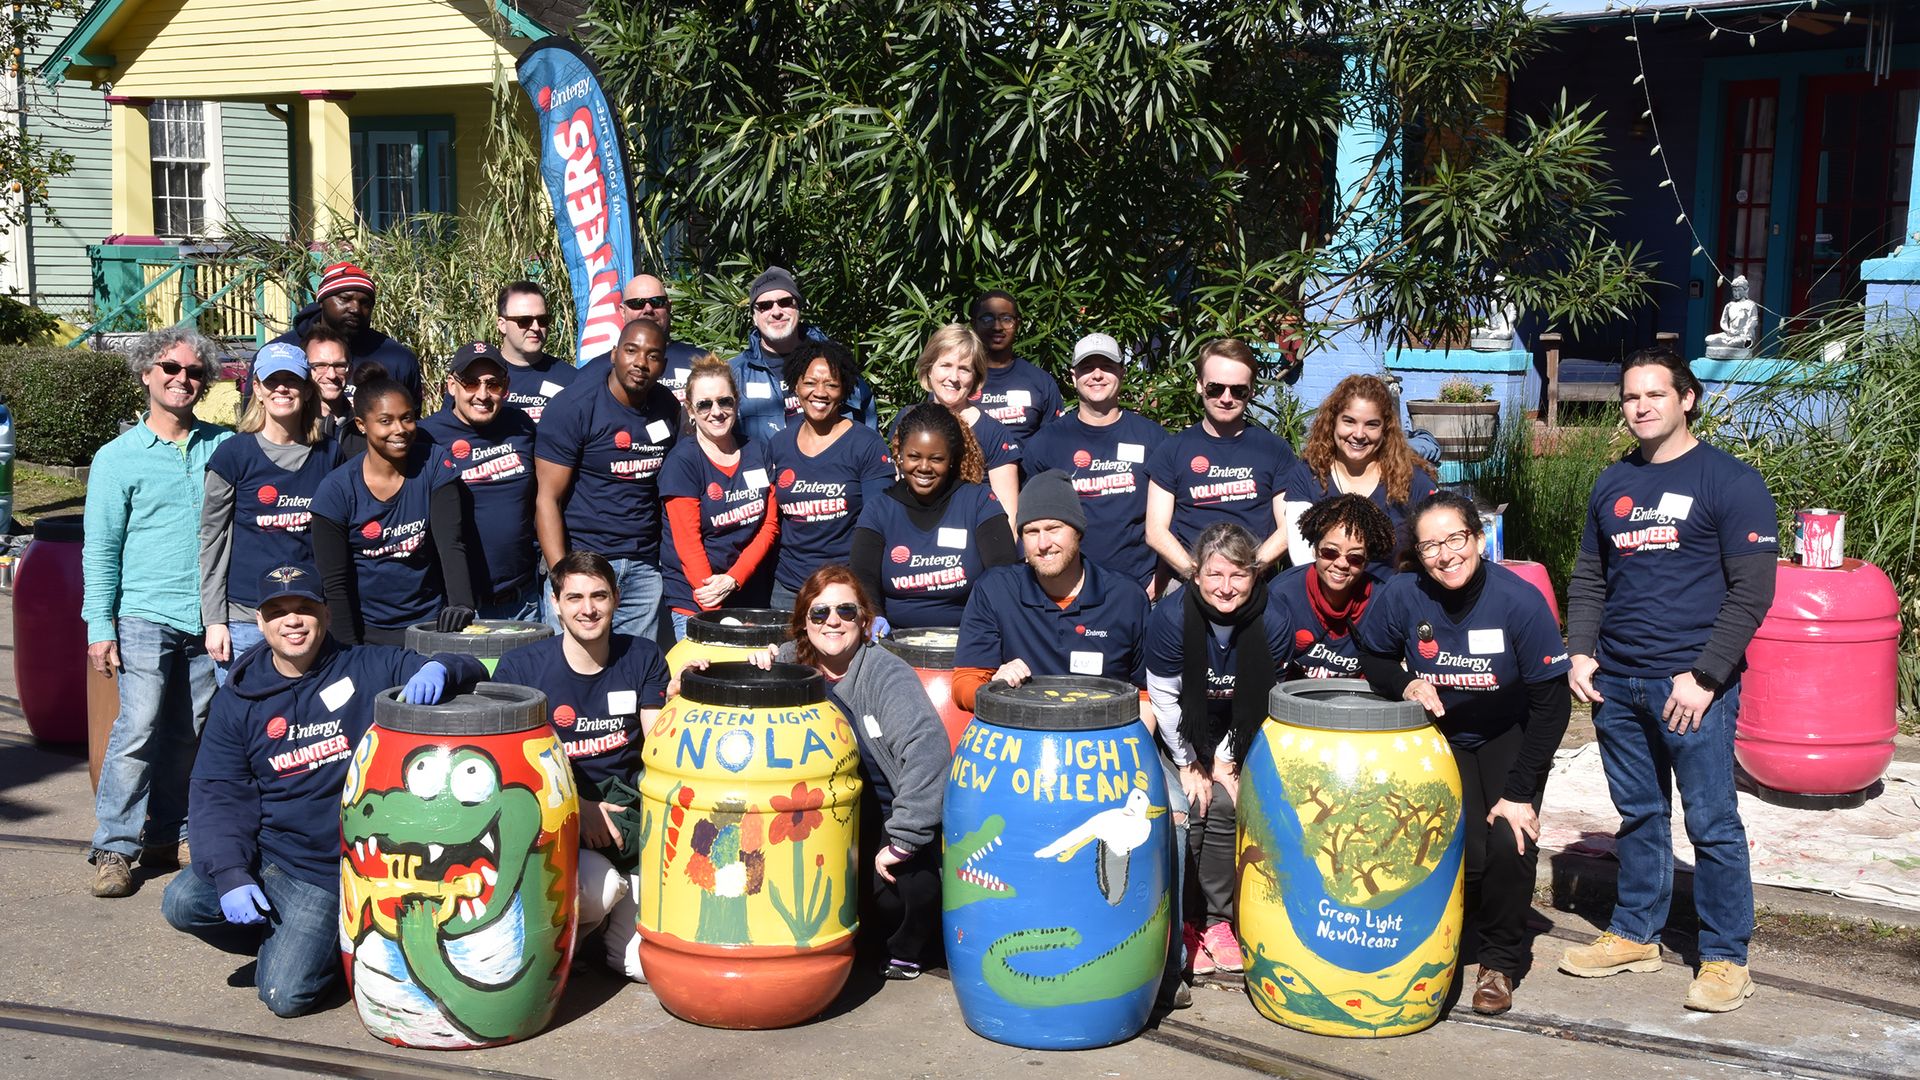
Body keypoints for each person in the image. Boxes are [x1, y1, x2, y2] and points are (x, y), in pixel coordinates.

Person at [1557, 347, 1778, 1013]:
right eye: (1631, 397)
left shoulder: (1730, 481)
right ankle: (1634, 934)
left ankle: (1724, 956)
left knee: (1711, 820)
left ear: (1687, 398)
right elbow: (1590, 576)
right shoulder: (1611, 483)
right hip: (1617, 683)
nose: (1641, 406)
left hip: (1690, 688)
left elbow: (1752, 592)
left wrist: (1706, 677)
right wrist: (1582, 651)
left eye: (1656, 394)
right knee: (1640, 814)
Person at [161, 563, 486, 1017]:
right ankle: (286, 935)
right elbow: (218, 790)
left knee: (285, 997)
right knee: (181, 902)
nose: (292, 621)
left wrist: (440, 666)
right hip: (268, 851)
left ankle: (329, 945)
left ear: (326, 615)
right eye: (278, 611)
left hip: (328, 870)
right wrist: (233, 872)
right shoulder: (238, 700)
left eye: (304, 608)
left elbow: (470, 664)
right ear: (260, 621)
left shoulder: (367, 666)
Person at [1356, 491, 1571, 1017]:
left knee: (1508, 839)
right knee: (1462, 849)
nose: (1445, 554)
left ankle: (1499, 961)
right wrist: (1405, 684)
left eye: (1455, 539)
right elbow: (1374, 654)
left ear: (1478, 539)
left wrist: (1521, 793)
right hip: (1440, 735)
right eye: (1430, 545)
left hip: (1507, 733)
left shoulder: (1518, 601)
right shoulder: (1403, 595)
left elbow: (1553, 705)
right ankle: (1450, 938)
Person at [718, 567, 950, 980]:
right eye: (819, 612)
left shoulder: (885, 673)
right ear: (803, 622)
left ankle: (904, 947)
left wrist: (904, 838)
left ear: (865, 620)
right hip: (807, 814)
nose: (833, 621)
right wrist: (727, 670)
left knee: (904, 892)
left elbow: (927, 752)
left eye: (846, 609)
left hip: (878, 811)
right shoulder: (787, 663)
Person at [83, 328, 233, 898]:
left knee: (190, 731)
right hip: (144, 611)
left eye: (194, 372)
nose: (182, 379)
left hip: (207, 614)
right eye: (170, 368)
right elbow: (100, 548)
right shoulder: (117, 458)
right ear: (147, 373)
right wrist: (100, 627)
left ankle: (169, 834)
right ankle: (115, 847)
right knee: (139, 727)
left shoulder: (220, 447)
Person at [495, 551, 669, 982]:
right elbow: (515, 767)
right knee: (600, 890)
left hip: (625, 819)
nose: (587, 609)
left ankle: (603, 930)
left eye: (598, 596)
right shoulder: (522, 667)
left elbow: (657, 748)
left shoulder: (643, 655)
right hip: (557, 817)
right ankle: (560, 952)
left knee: (639, 969)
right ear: (555, 603)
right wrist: (581, 804)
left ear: (616, 598)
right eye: (574, 597)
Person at [1145, 522, 1290, 979]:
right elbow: (1164, 699)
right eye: (1215, 575)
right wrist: (1190, 762)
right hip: (1180, 734)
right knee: (1192, 803)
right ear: (1196, 575)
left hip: (1240, 729)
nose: (1226, 588)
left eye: (1238, 576)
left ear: (1255, 575)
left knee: (1228, 803)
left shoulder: (1275, 619)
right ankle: (1187, 921)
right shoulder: (1171, 618)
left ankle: (1218, 922)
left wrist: (1225, 759)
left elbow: (1263, 697)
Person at [951, 469, 1150, 710]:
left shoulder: (1126, 598)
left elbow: (1147, 694)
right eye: (1031, 532)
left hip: (1103, 738)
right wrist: (995, 689)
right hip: (1021, 736)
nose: (1043, 544)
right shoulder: (995, 590)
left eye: (1053, 528)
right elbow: (963, 685)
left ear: (1077, 531)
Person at [201, 342, 340, 684]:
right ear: (258, 390)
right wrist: (214, 620)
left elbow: (340, 542)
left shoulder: (331, 455)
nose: (282, 388)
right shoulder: (232, 455)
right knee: (248, 721)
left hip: (308, 617)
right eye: (272, 381)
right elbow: (212, 541)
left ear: (307, 390)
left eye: (291, 381)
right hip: (247, 618)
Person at [535, 318, 684, 637]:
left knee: (631, 673)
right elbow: (547, 498)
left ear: (664, 365)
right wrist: (563, 576)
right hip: (585, 561)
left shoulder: (667, 406)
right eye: (631, 350)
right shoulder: (573, 408)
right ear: (614, 353)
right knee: (574, 672)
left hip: (644, 568)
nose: (641, 362)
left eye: (652, 355)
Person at [311, 378, 478, 645]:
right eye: (386, 421)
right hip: (369, 632)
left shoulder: (433, 463)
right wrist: (349, 653)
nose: (399, 429)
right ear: (362, 425)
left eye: (407, 418)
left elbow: (451, 544)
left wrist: (461, 604)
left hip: (430, 626)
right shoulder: (336, 491)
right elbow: (335, 584)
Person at [1023, 332, 1170, 594]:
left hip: (1139, 587)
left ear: (1122, 373)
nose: (1097, 375)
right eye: (1087, 368)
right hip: (1066, 591)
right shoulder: (1046, 443)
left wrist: (1159, 580)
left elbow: (1175, 517)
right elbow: (1029, 521)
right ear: (1073, 376)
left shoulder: (1154, 439)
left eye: (1107, 367)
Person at [853, 403, 1018, 631]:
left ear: (951, 459)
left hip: (970, 637)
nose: (924, 467)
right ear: (899, 455)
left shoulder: (978, 502)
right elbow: (863, 579)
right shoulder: (879, 510)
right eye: (913, 456)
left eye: (936, 459)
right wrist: (874, 619)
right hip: (895, 641)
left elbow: (1003, 576)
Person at [1146, 338, 1299, 582]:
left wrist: (1246, 573)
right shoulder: (1172, 449)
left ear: (1252, 391)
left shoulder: (1274, 449)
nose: (1226, 398)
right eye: (1215, 388)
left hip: (1254, 580)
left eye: (1238, 390)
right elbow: (1155, 531)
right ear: (1199, 385)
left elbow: (1289, 527)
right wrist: (1199, 575)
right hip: (1189, 581)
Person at [761, 339, 895, 611]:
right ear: (795, 385)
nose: (819, 392)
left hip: (845, 588)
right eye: (810, 382)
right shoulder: (779, 445)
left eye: (831, 384)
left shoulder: (866, 445)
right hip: (788, 590)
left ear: (844, 390)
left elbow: (877, 526)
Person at [659, 355, 780, 638]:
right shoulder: (683, 462)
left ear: (737, 402)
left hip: (747, 594)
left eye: (724, 401)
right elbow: (688, 546)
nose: (717, 411)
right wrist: (714, 608)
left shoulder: (757, 451)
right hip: (697, 599)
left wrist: (734, 579)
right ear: (690, 409)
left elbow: (770, 525)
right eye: (704, 404)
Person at [420, 342, 542, 620]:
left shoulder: (521, 426)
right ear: (452, 385)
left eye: (493, 384)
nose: (483, 395)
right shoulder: (427, 437)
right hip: (458, 605)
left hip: (523, 600)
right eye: (471, 383)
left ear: (506, 386)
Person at [1285, 374, 1438, 574]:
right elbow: (1302, 557)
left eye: (1371, 424)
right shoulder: (1308, 475)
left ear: (1386, 429)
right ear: (1333, 422)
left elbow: (1440, 540)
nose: (1358, 434)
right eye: (1349, 421)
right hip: (1326, 596)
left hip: (1392, 598)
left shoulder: (1412, 479)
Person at [728, 266, 877, 441]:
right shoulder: (735, 374)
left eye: (785, 302)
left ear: (798, 307)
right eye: (765, 306)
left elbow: (867, 419)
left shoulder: (835, 361)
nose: (776, 312)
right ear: (754, 316)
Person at [1266, 494, 1397, 680]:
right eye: (1330, 552)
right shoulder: (1282, 594)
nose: (1342, 563)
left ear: (1367, 562)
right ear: (1314, 549)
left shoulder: (1381, 601)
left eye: (1355, 558)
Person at [904, 323, 1022, 522]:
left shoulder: (993, 433)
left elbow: (1008, 516)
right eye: (946, 365)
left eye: (964, 369)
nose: (954, 378)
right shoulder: (906, 421)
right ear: (929, 369)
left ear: (975, 376)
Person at [269, 261, 422, 404]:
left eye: (365, 303)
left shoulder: (398, 359)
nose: (355, 308)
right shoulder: (280, 352)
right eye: (344, 299)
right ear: (321, 301)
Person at [969, 290, 1063, 440]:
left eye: (1006, 319)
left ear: (1018, 323)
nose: (997, 327)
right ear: (973, 324)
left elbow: (1054, 445)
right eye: (987, 318)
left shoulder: (1041, 382)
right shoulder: (956, 379)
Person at [493, 281, 576, 422]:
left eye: (542, 320)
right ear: (502, 325)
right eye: (524, 320)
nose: (536, 327)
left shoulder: (571, 379)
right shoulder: (479, 378)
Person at [619, 273, 705, 403]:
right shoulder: (601, 370)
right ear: (623, 311)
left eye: (656, 302)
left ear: (669, 306)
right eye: (637, 303)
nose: (648, 309)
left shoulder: (702, 363)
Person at [302, 325, 355, 447]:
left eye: (339, 366)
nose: (332, 375)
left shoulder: (365, 426)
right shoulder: (292, 429)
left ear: (350, 370)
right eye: (320, 365)